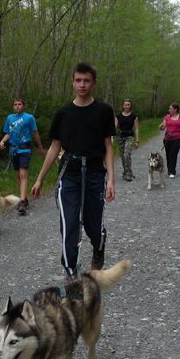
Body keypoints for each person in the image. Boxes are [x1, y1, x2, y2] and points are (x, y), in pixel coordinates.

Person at [31, 62, 115, 279]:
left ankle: (98, 246)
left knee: (93, 226)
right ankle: (71, 272)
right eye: (78, 80)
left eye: (86, 80)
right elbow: (54, 147)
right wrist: (40, 179)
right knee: (69, 225)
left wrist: (111, 180)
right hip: (69, 174)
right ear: (72, 82)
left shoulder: (103, 111)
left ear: (93, 83)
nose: (82, 84)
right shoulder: (63, 113)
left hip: (95, 173)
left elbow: (108, 146)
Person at [0, 99, 46, 215]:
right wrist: (2, 141)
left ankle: (22, 202)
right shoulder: (10, 118)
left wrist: (40, 147)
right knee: (18, 175)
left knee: (23, 173)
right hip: (14, 149)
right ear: (12, 107)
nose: (17, 106)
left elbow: (35, 133)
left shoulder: (29, 118)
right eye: (15, 104)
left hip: (25, 148)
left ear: (24, 106)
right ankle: (23, 197)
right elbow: (8, 133)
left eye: (19, 104)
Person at [158, 102, 180, 178]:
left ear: (175, 109)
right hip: (167, 139)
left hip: (177, 138)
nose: (169, 110)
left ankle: (172, 171)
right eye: (169, 109)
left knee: (173, 154)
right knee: (168, 155)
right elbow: (163, 127)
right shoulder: (167, 117)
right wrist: (160, 127)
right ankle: (169, 170)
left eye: (170, 108)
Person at [115, 99, 139, 181]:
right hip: (120, 137)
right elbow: (114, 127)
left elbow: (136, 129)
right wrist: (111, 136)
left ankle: (128, 174)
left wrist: (137, 140)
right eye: (125, 104)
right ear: (123, 106)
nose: (127, 106)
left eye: (128, 104)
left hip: (129, 137)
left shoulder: (134, 116)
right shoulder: (118, 116)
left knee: (127, 155)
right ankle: (126, 172)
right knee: (122, 156)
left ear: (130, 106)